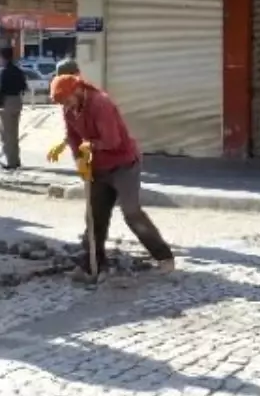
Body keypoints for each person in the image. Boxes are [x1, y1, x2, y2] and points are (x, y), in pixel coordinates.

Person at [49, 73, 175, 280]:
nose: (65, 105)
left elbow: (112, 141)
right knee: (94, 216)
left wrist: (90, 145)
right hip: (98, 168)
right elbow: (73, 136)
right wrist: (79, 159)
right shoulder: (69, 109)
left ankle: (164, 257)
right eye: (61, 102)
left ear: (78, 90)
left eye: (67, 99)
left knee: (131, 213)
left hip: (124, 165)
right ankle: (93, 264)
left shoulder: (101, 104)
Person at [0, 47, 29, 170]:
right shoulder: (18, 71)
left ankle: (11, 162)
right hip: (17, 101)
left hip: (7, 102)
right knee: (14, 132)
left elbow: (1, 90)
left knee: (6, 133)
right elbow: (24, 87)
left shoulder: (4, 72)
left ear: (3, 58)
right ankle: (16, 159)